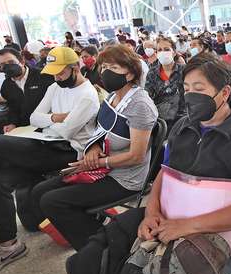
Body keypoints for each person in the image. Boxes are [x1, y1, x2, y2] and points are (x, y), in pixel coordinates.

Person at [65, 53, 231, 274]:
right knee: (99, 257)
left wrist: (186, 226)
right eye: (185, 88)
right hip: (170, 218)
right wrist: (151, 212)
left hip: (218, 238)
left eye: (199, 88)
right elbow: (165, 173)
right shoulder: (183, 127)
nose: (190, 95)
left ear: (225, 93)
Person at [31, 44, 159, 251]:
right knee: (40, 191)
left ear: (130, 73)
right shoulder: (111, 97)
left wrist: (99, 161)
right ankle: (95, 231)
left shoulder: (140, 106)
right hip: (104, 167)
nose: (105, 72)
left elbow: (136, 156)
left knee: (53, 202)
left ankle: (101, 249)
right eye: (104, 67)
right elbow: (100, 132)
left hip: (125, 179)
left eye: (113, 68)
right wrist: (92, 149)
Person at [0, 46, 99, 274]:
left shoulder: (88, 95)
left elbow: (67, 132)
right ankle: (9, 245)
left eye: (61, 72)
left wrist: (48, 120)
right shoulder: (54, 86)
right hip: (44, 143)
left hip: (68, 151)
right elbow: (34, 117)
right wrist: (56, 118)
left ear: (75, 68)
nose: (57, 77)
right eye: (54, 73)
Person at [0, 48, 54, 134]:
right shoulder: (6, 86)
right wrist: (12, 123)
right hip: (24, 127)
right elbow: (13, 109)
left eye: (11, 62)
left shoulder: (44, 76)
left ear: (22, 61)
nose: (8, 66)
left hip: (48, 125)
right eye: (3, 65)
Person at [145, 37, 186, 130]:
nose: (163, 52)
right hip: (160, 122)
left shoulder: (184, 70)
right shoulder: (152, 73)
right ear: (156, 53)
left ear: (174, 52)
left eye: (167, 49)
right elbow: (148, 97)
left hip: (182, 119)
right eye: (160, 50)